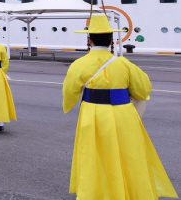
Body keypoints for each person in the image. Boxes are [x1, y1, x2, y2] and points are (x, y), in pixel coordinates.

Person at [63, 15, 177, 199]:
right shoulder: (124, 64)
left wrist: (68, 104)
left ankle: (97, 193)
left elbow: (69, 93)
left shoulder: (78, 64)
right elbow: (143, 89)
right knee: (128, 156)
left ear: (89, 40)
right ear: (112, 41)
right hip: (124, 115)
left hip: (93, 116)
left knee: (95, 156)